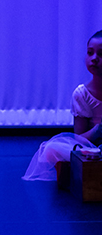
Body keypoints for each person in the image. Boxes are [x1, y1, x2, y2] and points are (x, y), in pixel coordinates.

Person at [23, 30, 102, 179]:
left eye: (101, 54)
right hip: (91, 149)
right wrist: (98, 130)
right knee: (52, 148)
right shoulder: (82, 94)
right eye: (90, 53)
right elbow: (79, 138)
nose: (94, 59)